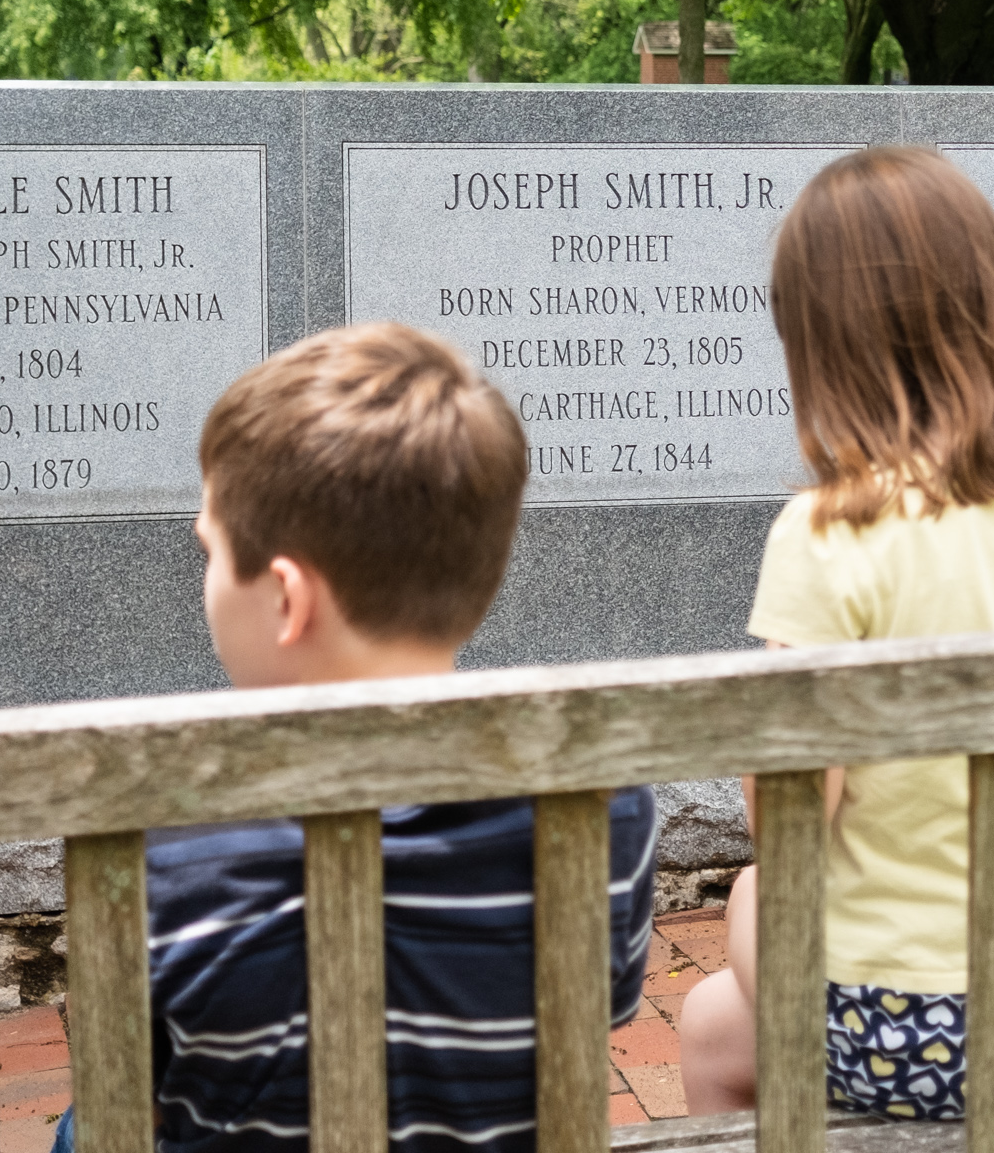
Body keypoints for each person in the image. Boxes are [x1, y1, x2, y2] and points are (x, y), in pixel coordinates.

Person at [52, 322, 658, 1153]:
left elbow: (135, 1090)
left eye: (211, 551)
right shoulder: (606, 804)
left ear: (287, 600)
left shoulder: (174, 843)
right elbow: (610, 1005)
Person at [676, 147, 994, 1121]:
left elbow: (794, 821)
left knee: (740, 931)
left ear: (825, 347)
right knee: (724, 999)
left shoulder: (829, 534)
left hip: (906, 1030)